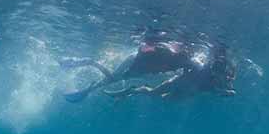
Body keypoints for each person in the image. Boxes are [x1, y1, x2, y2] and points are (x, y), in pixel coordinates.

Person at [61, 35, 237, 102]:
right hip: (135, 63)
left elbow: (196, 70)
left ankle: (89, 89)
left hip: (139, 68)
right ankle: (88, 62)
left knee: (110, 79)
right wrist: (147, 47)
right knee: (112, 78)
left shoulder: (188, 61)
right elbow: (147, 48)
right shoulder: (178, 56)